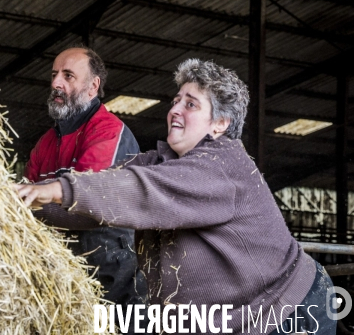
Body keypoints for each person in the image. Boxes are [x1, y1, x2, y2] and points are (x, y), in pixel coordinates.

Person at [17, 58, 336, 334]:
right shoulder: (157, 162)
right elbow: (94, 204)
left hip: (288, 314)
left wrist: (58, 188)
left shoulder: (223, 165)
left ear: (220, 123)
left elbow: (137, 191)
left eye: (191, 104)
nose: (176, 110)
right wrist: (26, 204)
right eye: (176, 101)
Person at [24, 46, 148, 333]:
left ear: (93, 86)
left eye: (68, 76)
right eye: (55, 74)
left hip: (113, 277)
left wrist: (30, 201)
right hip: (63, 278)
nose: (57, 83)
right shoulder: (45, 143)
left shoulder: (106, 131)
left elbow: (89, 212)